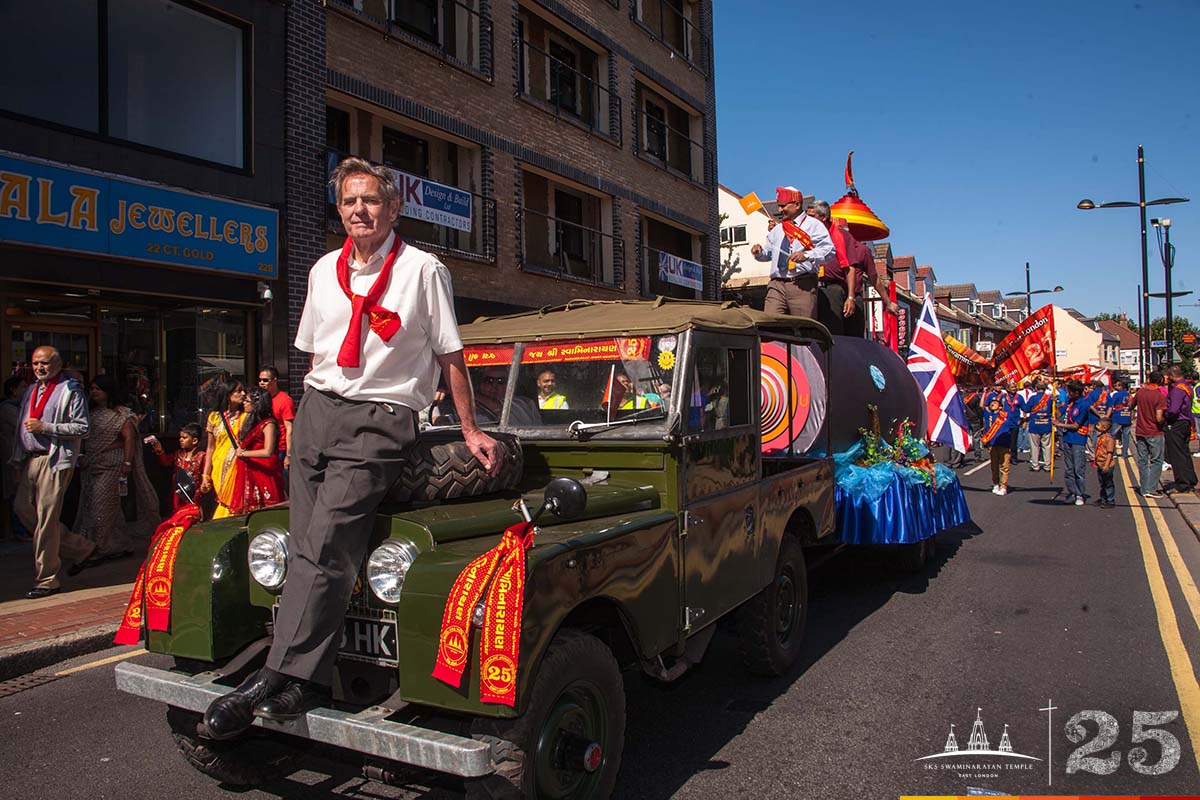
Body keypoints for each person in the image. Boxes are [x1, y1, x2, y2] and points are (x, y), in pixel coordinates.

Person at [203, 156, 501, 739]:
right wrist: (299, 426)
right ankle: (309, 677)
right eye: (348, 202)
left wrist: (469, 430)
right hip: (318, 411)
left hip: (381, 417)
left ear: (393, 209)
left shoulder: (423, 270)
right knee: (310, 545)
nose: (359, 210)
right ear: (339, 210)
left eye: (370, 200)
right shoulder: (321, 270)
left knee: (322, 545)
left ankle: (276, 674)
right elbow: (315, 355)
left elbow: (450, 357)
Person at [10, 346, 97, 598]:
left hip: (54, 459)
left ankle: (47, 579)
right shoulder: (31, 390)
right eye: (35, 363)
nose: (39, 368)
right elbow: (21, 427)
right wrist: (17, 461)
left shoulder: (70, 391)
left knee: (46, 520)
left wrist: (45, 426)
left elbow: (83, 428)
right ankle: (80, 548)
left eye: (45, 363)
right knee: (23, 510)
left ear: (58, 364)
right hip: (30, 459)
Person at [71, 374, 159, 570]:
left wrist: (127, 463)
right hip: (92, 464)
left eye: (98, 389)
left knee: (100, 505)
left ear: (108, 392)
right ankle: (120, 544)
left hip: (112, 465)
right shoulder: (88, 413)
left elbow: (129, 439)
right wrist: (82, 456)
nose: (94, 392)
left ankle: (99, 548)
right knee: (103, 505)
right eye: (92, 388)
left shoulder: (122, 414)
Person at [750, 186, 835, 318]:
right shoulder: (778, 229)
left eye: (783, 205)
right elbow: (769, 253)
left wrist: (806, 255)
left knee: (803, 327)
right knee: (770, 323)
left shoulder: (813, 225)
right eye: (779, 206)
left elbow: (829, 250)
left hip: (802, 284)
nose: (780, 210)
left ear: (796, 204)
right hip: (776, 284)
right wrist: (759, 252)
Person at [228, 388, 285, 514]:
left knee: (266, 510)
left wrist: (243, 453)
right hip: (250, 470)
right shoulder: (249, 421)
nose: (244, 403)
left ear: (256, 404)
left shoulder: (268, 424)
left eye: (247, 401)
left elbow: (268, 451)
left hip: (264, 472)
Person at [804, 200, 855, 335]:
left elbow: (850, 268)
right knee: (808, 329)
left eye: (811, 216)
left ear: (823, 217)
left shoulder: (842, 236)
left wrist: (850, 297)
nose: (807, 220)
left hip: (831, 288)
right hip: (807, 285)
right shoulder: (804, 235)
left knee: (832, 332)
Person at [200, 378, 247, 519]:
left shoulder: (246, 416)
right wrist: (205, 475)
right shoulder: (214, 417)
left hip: (238, 465)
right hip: (219, 467)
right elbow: (210, 448)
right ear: (228, 395)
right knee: (224, 500)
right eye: (238, 391)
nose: (243, 393)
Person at [1053, 380, 1092, 506]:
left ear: (1077, 392)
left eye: (1070, 392)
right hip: (1067, 438)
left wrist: (1059, 424)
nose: (1068, 394)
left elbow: (1076, 425)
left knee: (1078, 469)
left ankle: (1080, 494)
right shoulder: (1070, 403)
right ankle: (1072, 492)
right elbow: (1060, 413)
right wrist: (1053, 404)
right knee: (1068, 469)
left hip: (1078, 439)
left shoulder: (1084, 405)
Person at [152, 423, 206, 511]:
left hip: (194, 495)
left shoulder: (202, 457)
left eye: (184, 438)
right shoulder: (178, 454)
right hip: (178, 495)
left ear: (194, 440)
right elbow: (166, 462)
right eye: (180, 437)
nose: (180, 440)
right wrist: (160, 451)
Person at [1, 375, 30, 540]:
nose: (25, 390)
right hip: (12, 459)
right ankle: (19, 530)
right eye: (22, 387)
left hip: (21, 458)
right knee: (15, 493)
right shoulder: (8, 408)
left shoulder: (20, 407)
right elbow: (24, 427)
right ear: (13, 390)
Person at [1162, 365, 1196, 494]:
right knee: (1184, 452)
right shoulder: (1186, 386)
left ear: (1172, 375)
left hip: (1177, 423)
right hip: (1186, 421)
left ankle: (1182, 484)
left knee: (1176, 454)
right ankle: (1190, 479)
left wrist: (1166, 416)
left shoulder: (1177, 389)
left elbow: (1173, 410)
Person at [1133, 371, 1168, 498]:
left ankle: (1143, 488)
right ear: (1160, 381)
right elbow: (1159, 418)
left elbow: (1131, 406)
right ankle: (1151, 488)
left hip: (1140, 431)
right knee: (1156, 460)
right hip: (1154, 431)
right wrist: (1166, 421)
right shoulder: (1159, 396)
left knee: (1142, 460)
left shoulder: (1140, 392)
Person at [257, 366, 295, 479]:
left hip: (279, 448)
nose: (261, 383)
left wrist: (289, 454)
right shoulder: (260, 399)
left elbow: (290, 429)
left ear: (275, 380)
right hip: (262, 447)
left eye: (265, 380)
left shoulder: (285, 400)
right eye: (259, 380)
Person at [476, 365, 542, 425]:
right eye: (489, 380)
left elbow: (497, 406)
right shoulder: (472, 406)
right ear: (481, 384)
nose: (494, 386)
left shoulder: (524, 404)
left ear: (511, 385)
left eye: (500, 381)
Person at [982, 397, 1016, 495]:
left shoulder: (1005, 415)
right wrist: (985, 393)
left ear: (1000, 406)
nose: (992, 404)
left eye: (995, 403)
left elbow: (1013, 426)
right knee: (994, 465)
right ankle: (996, 483)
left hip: (1004, 443)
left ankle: (1003, 486)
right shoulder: (989, 415)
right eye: (991, 403)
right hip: (992, 444)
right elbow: (983, 405)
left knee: (1004, 466)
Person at [1021, 378, 1054, 471]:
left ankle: (1035, 465)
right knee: (1047, 446)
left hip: (1035, 424)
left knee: (1034, 446)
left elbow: (1026, 409)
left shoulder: (1033, 398)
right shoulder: (1050, 398)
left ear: (1036, 388)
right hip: (1046, 424)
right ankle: (1047, 465)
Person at [1094, 418, 1117, 508]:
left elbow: (1110, 453)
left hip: (1106, 465)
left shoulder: (1109, 439)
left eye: (1098, 425)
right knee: (1102, 483)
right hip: (1100, 464)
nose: (1096, 426)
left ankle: (1110, 500)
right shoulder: (1101, 437)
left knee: (1108, 483)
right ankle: (1103, 499)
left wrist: (1107, 465)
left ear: (1104, 428)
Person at [1108, 379, 1133, 457]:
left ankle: (1113, 452)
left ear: (1120, 386)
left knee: (1113, 435)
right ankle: (1124, 453)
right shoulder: (1129, 395)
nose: (1115, 387)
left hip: (1117, 417)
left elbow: (1111, 406)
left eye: (1116, 385)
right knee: (1126, 436)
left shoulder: (1116, 395)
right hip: (1127, 416)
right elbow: (1131, 406)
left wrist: (1107, 416)